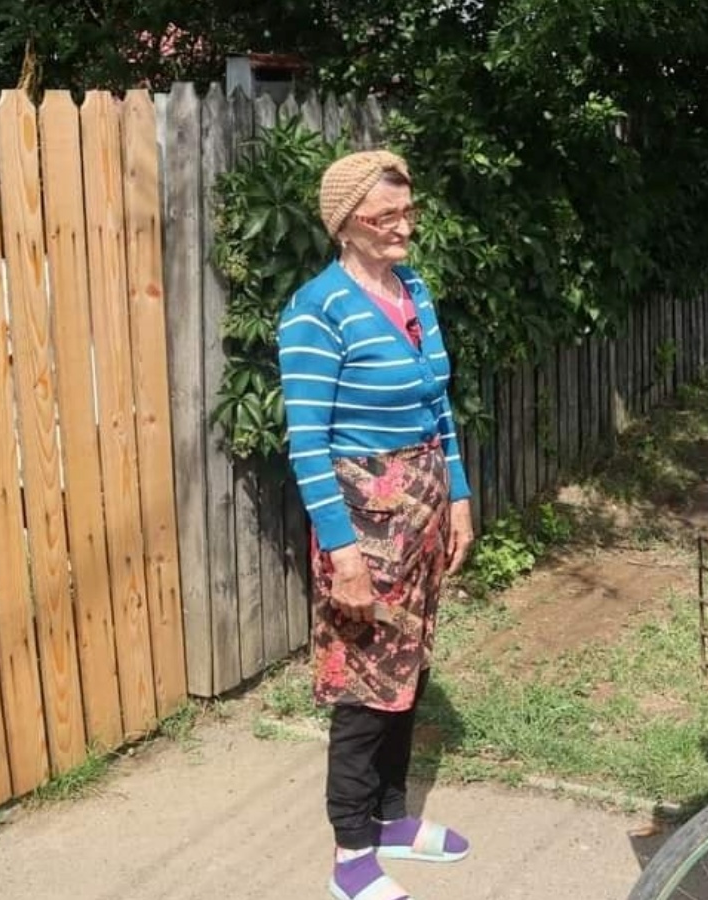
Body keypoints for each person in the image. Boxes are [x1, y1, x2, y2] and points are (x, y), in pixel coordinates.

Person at [278, 149, 476, 900]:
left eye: (407, 212)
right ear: (345, 225)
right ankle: (351, 850)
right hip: (361, 521)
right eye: (385, 217)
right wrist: (345, 556)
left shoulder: (414, 291)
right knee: (364, 682)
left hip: (422, 510)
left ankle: (392, 815)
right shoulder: (315, 310)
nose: (404, 228)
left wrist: (457, 496)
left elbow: (438, 405)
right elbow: (307, 445)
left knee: (409, 665)